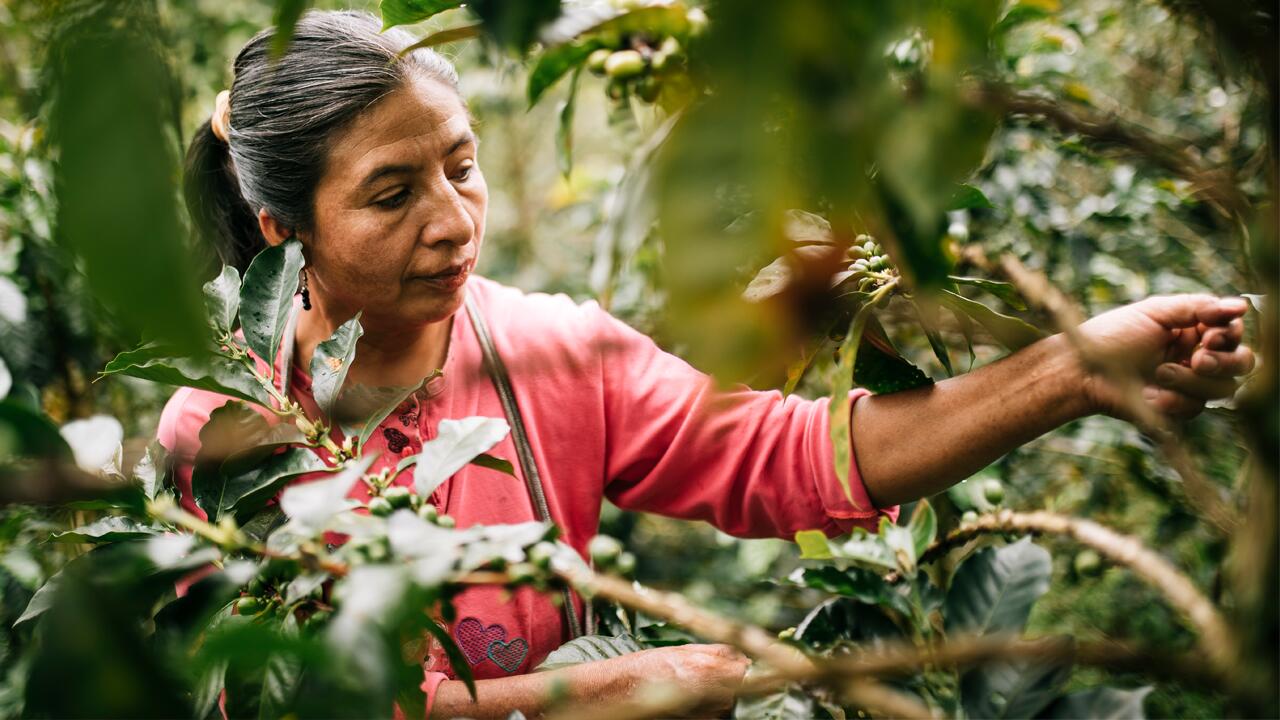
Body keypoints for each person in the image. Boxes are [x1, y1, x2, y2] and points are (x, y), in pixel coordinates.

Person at [158, 9, 1256, 719]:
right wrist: (612, 691)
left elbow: (795, 460)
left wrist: (1076, 371)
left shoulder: (552, 351)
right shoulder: (224, 429)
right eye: (393, 196)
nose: (453, 223)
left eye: (462, 167)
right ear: (277, 229)